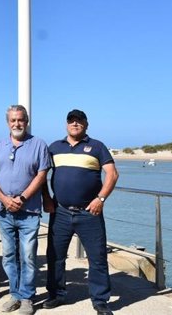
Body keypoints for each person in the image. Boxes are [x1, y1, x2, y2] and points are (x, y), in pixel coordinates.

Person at [42, 109, 119, 315]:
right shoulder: (54, 148)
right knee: (55, 256)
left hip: (89, 213)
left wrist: (100, 199)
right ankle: (56, 294)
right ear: (66, 124)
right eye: (71, 121)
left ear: (86, 124)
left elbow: (112, 174)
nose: (75, 124)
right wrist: (46, 198)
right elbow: (41, 174)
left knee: (97, 258)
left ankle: (100, 300)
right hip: (60, 212)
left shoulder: (97, 147)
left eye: (79, 121)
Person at [0, 105, 51, 314]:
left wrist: (22, 198)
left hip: (29, 211)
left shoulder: (39, 144)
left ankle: (27, 298)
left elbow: (41, 175)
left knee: (29, 255)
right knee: (9, 255)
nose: (17, 124)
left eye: (20, 120)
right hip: (4, 211)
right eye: (13, 120)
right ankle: (15, 294)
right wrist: (4, 199)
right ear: (8, 123)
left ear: (27, 120)